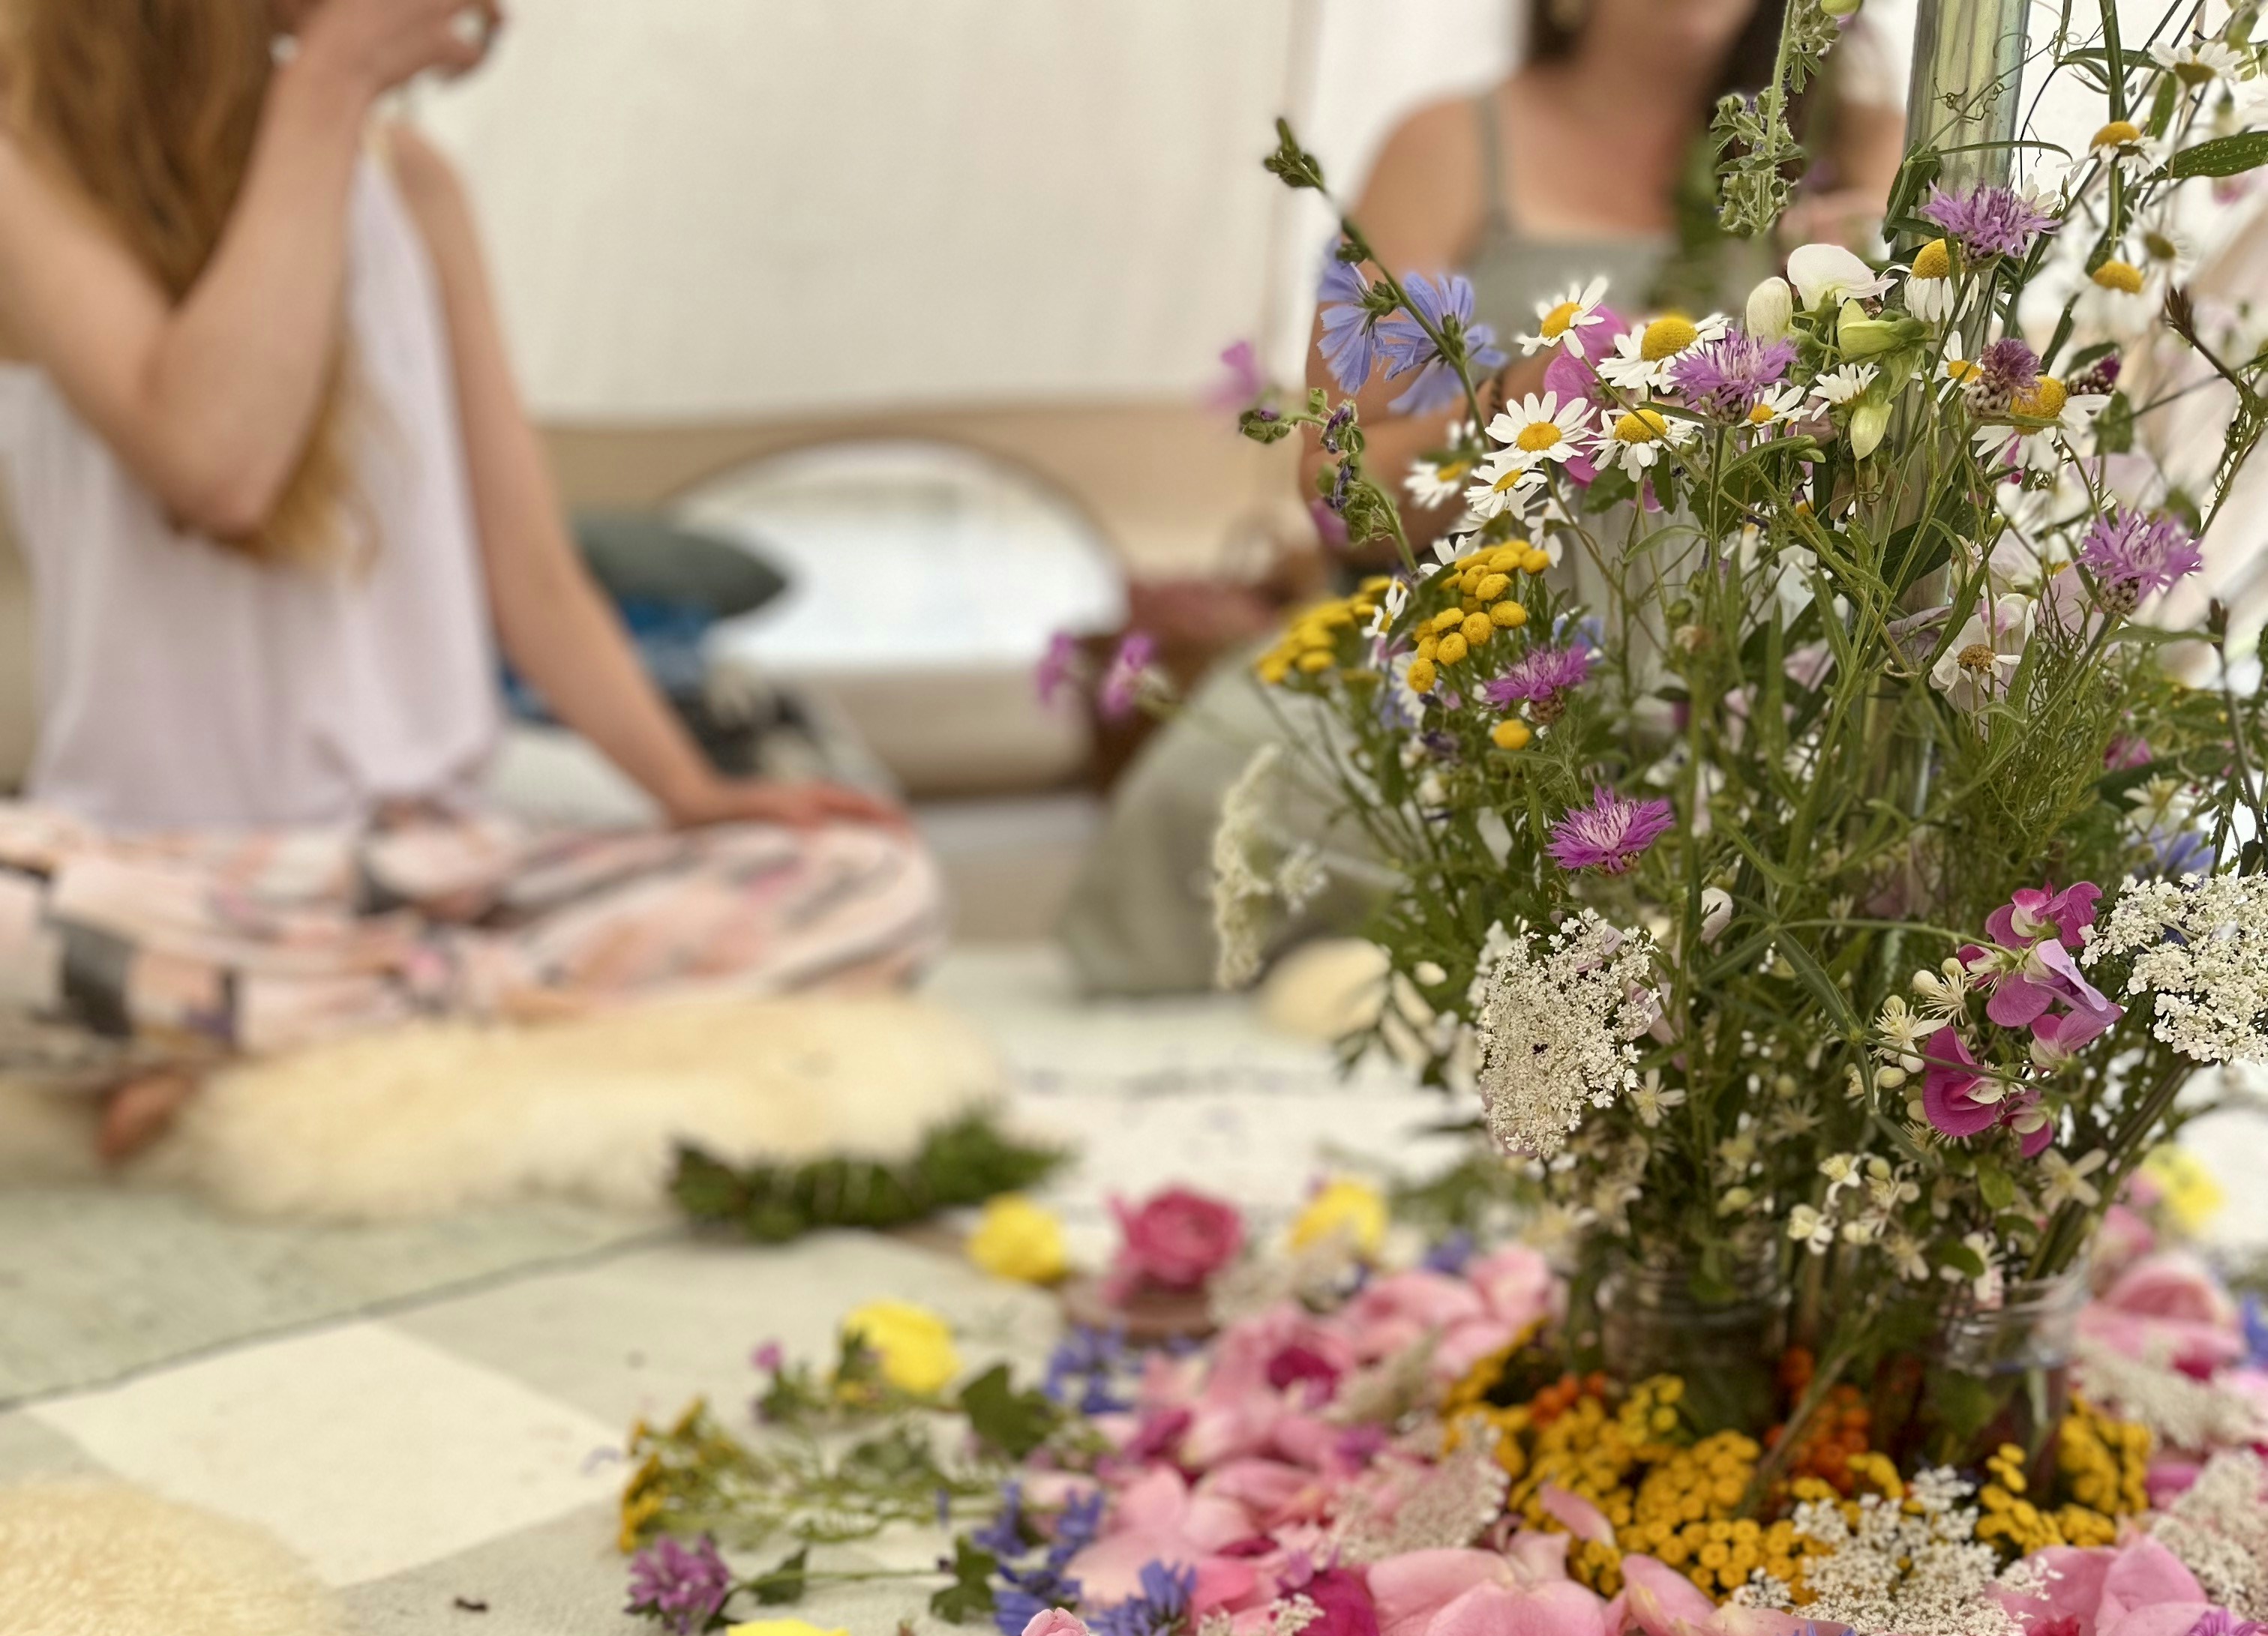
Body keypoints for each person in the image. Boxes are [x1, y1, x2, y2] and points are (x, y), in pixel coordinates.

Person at [0, 0, 944, 1154]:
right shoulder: (27, 169)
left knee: (873, 881)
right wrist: (327, 86)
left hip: (432, 861)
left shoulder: (414, 187)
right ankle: (400, 1003)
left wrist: (688, 790)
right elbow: (218, 468)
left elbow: (532, 573)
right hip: (160, 869)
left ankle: (278, 1020)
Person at [1060, 0, 1904, 999]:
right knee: (1226, 801)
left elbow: (1925, 457)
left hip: (1754, 678)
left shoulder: (1866, 149)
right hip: (1476, 667)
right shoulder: (1446, 146)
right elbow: (1336, 492)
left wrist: (1871, 323)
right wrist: (1527, 404)